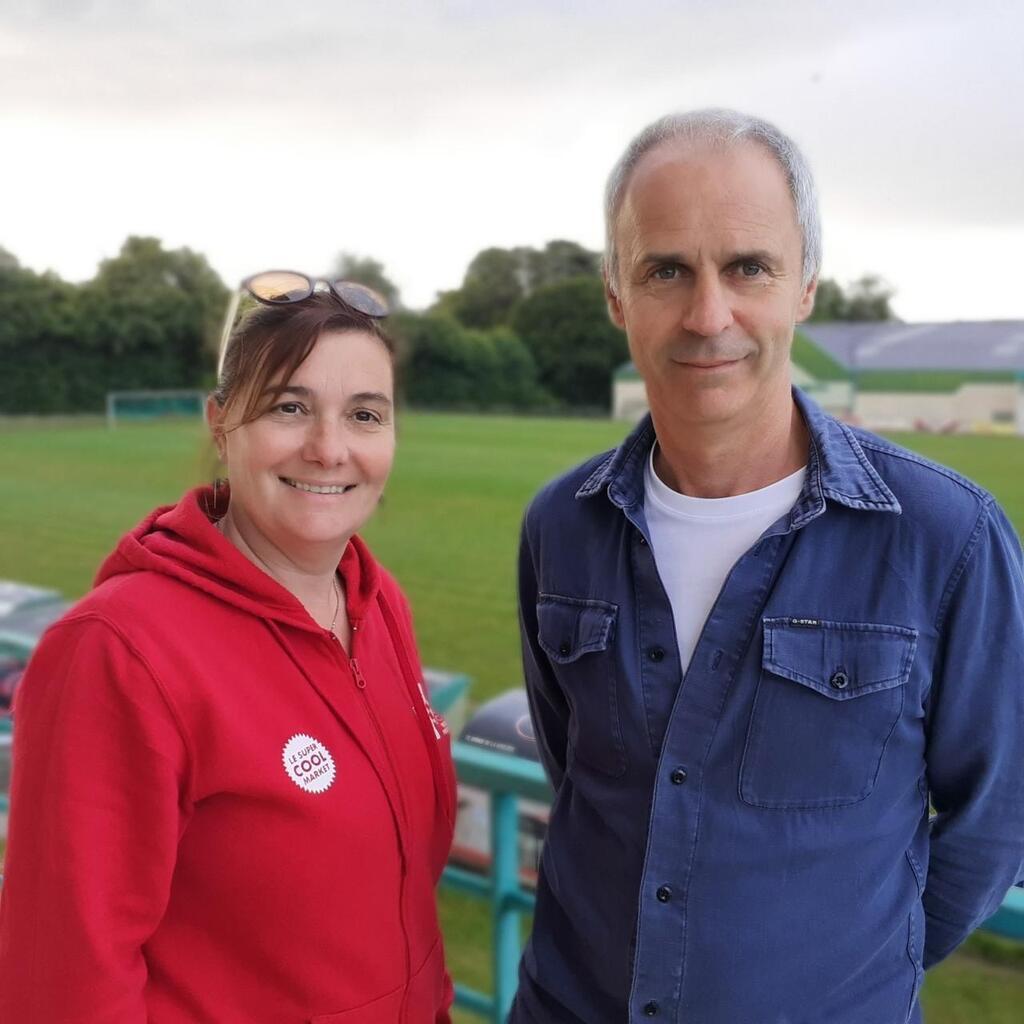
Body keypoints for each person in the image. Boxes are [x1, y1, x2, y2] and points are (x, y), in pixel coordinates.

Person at [511, 110, 1024, 1024]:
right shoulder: (561, 526)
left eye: (748, 267)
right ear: (616, 297)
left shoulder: (947, 537)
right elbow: (580, 774)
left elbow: (996, 824)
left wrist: (847, 975)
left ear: (806, 288)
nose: (710, 315)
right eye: (666, 269)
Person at [0, 275, 457, 1022]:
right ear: (221, 425)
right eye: (289, 407)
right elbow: (63, 985)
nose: (329, 448)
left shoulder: (379, 605)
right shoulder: (117, 652)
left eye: (365, 414)